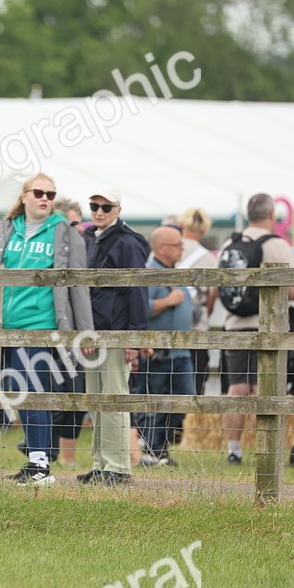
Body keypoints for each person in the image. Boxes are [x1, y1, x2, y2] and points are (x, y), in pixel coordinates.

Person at [0, 174, 93, 486]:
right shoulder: (6, 229)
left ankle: (41, 464)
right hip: (5, 325)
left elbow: (78, 283)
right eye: (40, 193)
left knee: (34, 391)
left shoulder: (64, 231)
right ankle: (35, 460)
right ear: (25, 195)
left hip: (41, 325)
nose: (46, 198)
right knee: (19, 394)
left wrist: (83, 331)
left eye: (51, 194)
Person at [220, 194, 294, 465]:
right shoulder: (278, 245)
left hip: (235, 325)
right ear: (271, 215)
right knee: (264, 389)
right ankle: (265, 448)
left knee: (237, 389)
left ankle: (234, 449)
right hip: (268, 327)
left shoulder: (230, 243)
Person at [79, 186, 150, 486]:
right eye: (94, 206)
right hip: (94, 330)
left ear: (118, 210)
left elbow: (137, 290)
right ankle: (101, 463)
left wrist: (134, 337)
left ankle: (118, 466)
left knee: (114, 397)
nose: (98, 211)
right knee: (96, 399)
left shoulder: (127, 243)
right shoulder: (90, 239)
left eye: (105, 207)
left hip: (117, 330)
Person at [132, 227, 194, 467]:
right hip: (157, 354)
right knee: (152, 403)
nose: (182, 248)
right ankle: (151, 449)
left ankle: (160, 446)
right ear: (161, 248)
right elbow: (140, 309)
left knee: (184, 399)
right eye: (176, 244)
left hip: (181, 353)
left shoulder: (176, 274)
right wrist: (169, 301)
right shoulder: (149, 274)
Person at [50, 197, 88, 467]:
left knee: (76, 397)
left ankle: (67, 459)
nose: (74, 229)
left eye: (76, 223)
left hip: (78, 334)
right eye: (68, 224)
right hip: (49, 330)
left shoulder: (87, 246)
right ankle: (43, 453)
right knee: (49, 395)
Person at [178, 208, 218, 402]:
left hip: (169, 324)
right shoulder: (208, 258)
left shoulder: (168, 247)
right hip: (196, 326)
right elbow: (212, 294)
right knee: (195, 381)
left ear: (182, 225)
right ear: (203, 230)